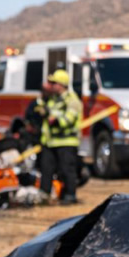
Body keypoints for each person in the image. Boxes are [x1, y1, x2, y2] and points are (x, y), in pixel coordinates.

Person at [40, 69, 83, 204]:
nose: (51, 85)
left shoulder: (72, 100)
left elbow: (68, 120)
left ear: (61, 84)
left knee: (67, 170)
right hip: (51, 142)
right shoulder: (53, 99)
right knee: (46, 169)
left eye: (54, 83)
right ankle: (45, 195)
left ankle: (70, 195)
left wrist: (55, 120)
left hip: (66, 142)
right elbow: (45, 112)